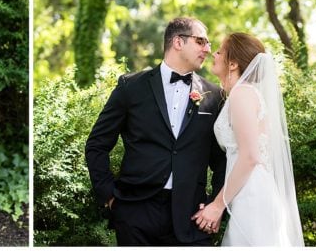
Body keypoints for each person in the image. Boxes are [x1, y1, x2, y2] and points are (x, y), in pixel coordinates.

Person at [85, 17, 227, 245]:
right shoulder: (130, 87)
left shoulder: (214, 96)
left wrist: (215, 206)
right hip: (135, 213)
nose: (208, 49)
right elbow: (97, 144)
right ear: (178, 42)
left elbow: (223, 159)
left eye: (208, 43)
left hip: (192, 217)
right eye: (201, 41)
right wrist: (110, 196)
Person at [192, 33, 303, 246]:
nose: (213, 53)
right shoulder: (244, 93)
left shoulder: (242, 94)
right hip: (247, 190)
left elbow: (250, 156)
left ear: (232, 63)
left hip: (253, 194)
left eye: (220, 51)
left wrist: (216, 206)